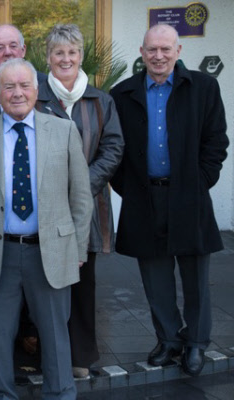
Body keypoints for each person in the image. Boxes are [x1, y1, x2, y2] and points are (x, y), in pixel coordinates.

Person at [0, 58, 93, 400]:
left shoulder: (63, 131)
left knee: (54, 335)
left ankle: (61, 394)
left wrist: (77, 250)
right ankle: (1, 394)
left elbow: (80, 197)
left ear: (37, 90)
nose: (17, 93)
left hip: (50, 252)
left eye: (24, 86)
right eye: (9, 87)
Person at [110, 24, 228, 377]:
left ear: (178, 50)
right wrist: (128, 189)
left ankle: (195, 343)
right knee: (155, 279)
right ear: (142, 52)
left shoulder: (203, 87)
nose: (158, 56)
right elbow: (114, 150)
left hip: (189, 197)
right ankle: (169, 340)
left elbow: (216, 142)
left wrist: (200, 181)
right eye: (151, 50)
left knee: (195, 279)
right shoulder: (122, 93)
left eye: (165, 49)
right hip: (145, 198)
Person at [33, 24, 124, 378]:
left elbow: (113, 146)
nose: (65, 59)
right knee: (46, 282)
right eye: (58, 53)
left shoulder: (101, 100)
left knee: (83, 283)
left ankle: (81, 357)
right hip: (44, 206)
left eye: (72, 52)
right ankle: (48, 354)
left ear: (81, 56)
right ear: (48, 57)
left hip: (87, 209)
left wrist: (83, 183)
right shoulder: (36, 97)